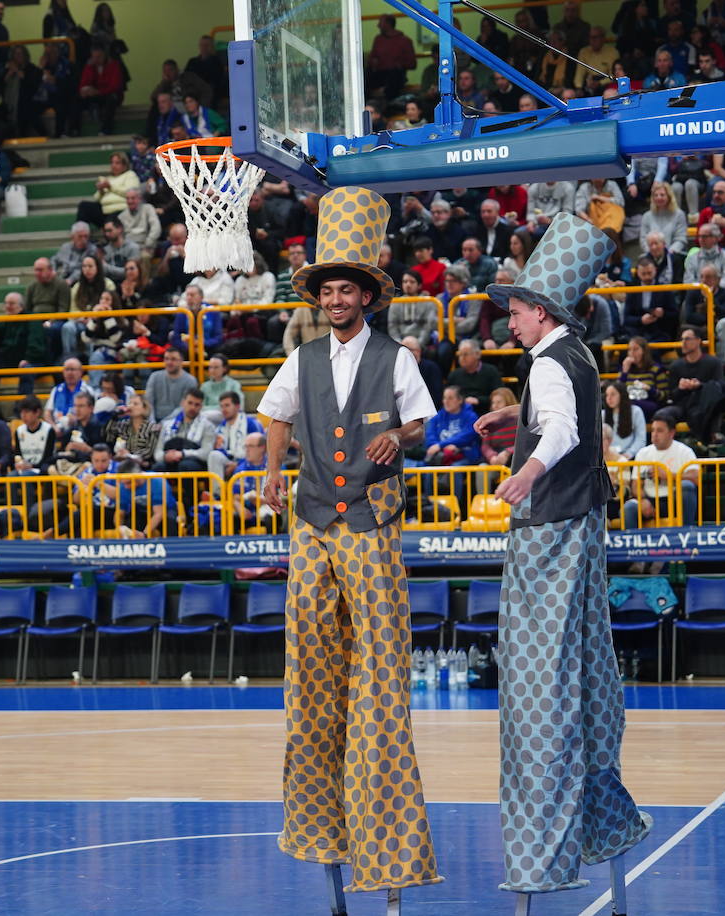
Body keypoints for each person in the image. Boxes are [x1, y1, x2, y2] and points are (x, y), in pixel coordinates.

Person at [257, 186, 441, 902]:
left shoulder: (396, 357)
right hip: (311, 520)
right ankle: (319, 824)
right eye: (327, 290)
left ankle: (385, 835)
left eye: (346, 290)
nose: (336, 300)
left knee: (379, 672)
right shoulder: (299, 358)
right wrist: (272, 471)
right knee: (310, 664)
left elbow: (424, 423)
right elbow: (275, 416)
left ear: (366, 297)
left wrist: (399, 433)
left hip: (369, 519)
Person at [468, 214, 651, 904]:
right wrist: (517, 428)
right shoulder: (575, 353)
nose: (507, 321)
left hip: (549, 533)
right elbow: (562, 415)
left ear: (539, 311)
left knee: (537, 688)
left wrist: (527, 471)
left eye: (513, 310)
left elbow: (566, 429)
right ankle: (602, 829)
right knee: (582, 674)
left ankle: (539, 863)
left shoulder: (547, 360)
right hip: (584, 529)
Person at [625, 413, 700, 526]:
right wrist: (642, 499)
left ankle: (687, 533)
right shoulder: (643, 453)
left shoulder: (684, 451)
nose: (654, 434)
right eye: (653, 430)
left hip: (674, 500)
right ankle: (635, 543)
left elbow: (696, 477)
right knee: (629, 508)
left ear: (671, 433)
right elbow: (636, 484)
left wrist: (669, 475)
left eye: (659, 431)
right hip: (651, 499)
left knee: (687, 486)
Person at [666, 325, 725, 447]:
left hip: (705, 404)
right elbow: (672, 396)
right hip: (683, 406)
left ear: (698, 340)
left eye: (687, 339)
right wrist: (681, 388)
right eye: (682, 339)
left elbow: (720, 388)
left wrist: (699, 385)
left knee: (711, 404)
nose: (683, 343)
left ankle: (710, 437)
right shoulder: (675, 366)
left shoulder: (713, 362)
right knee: (663, 414)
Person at [681, 263, 725, 366]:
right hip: (699, 328)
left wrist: (711, 300)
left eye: (708, 277)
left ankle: (720, 363)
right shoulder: (692, 293)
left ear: (717, 279)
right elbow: (689, 317)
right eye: (702, 277)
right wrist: (710, 319)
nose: (704, 280)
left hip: (719, 328)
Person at [207, 390, 264, 485]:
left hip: (248, 460)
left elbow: (260, 448)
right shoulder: (221, 427)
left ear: (237, 406)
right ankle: (217, 495)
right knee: (214, 455)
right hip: (230, 460)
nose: (223, 409)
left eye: (227, 405)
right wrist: (231, 463)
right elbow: (219, 448)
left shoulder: (250, 423)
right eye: (221, 406)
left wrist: (238, 464)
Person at [618, 335, 669, 419]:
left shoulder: (656, 369)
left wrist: (649, 389)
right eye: (630, 349)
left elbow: (665, 396)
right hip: (628, 406)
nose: (632, 353)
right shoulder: (625, 369)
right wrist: (624, 373)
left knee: (630, 406)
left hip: (649, 404)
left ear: (644, 351)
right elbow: (618, 392)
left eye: (636, 349)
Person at [108, 392, 160, 469]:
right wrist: (115, 417)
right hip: (122, 463)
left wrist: (129, 455)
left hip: (142, 465)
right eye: (130, 403)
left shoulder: (152, 427)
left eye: (135, 404)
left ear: (144, 408)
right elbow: (109, 437)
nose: (131, 406)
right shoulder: (122, 425)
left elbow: (149, 451)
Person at [144, 346, 195, 423]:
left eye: (173, 359)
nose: (169, 362)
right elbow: (148, 402)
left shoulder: (190, 381)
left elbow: (184, 407)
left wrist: (165, 423)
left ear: (181, 361)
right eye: (166, 359)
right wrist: (152, 423)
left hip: (178, 422)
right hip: (154, 421)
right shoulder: (154, 377)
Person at [603, 380, 648, 459]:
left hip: (630, 457)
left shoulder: (636, 411)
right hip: (607, 458)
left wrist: (628, 454)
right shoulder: (602, 414)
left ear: (622, 395)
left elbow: (641, 439)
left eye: (613, 394)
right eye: (607, 395)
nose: (609, 398)